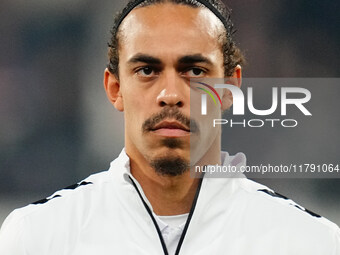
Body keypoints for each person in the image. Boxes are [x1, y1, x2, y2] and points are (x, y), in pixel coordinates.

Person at [0, 0, 339, 254]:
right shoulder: (37, 237)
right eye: (147, 70)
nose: (171, 95)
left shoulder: (308, 242)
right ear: (115, 89)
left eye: (194, 71)